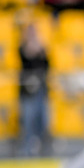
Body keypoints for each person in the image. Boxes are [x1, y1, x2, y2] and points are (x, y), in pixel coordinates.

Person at [18, 23, 49, 156]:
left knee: (42, 121)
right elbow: (25, 57)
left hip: (41, 89)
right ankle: (27, 150)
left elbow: (47, 64)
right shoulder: (21, 47)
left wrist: (40, 48)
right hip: (28, 91)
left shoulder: (41, 47)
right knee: (28, 121)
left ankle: (42, 149)